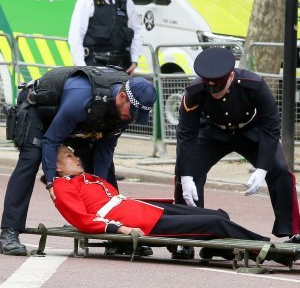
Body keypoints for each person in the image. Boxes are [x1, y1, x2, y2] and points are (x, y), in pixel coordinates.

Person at [0, 66, 156, 256]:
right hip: (40, 113)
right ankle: (9, 232)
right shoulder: (81, 98)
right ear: (122, 97)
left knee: (103, 171)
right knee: (32, 157)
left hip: (80, 121)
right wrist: (51, 182)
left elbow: (105, 152)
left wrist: (100, 189)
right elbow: (51, 139)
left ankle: (115, 238)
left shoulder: (123, 110)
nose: (132, 118)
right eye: (133, 112)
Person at [172, 47, 300, 259]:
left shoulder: (254, 84)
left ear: (231, 76)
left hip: (251, 131)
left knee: (280, 170)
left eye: (219, 87)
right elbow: (186, 134)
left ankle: (294, 231)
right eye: (209, 88)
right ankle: (187, 238)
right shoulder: (194, 91)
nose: (214, 92)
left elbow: (271, 128)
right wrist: (185, 176)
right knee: (186, 174)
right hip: (212, 133)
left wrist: (262, 169)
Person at [52, 145, 274, 261]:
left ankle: (223, 250)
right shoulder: (62, 186)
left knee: (218, 215)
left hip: (143, 209)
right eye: (70, 157)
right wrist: (121, 228)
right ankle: (269, 250)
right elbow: (83, 219)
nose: (77, 158)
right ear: (58, 167)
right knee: (215, 224)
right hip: (136, 221)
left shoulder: (85, 178)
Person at [68, 0, 142, 75]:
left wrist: (134, 60)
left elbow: (137, 33)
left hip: (122, 67)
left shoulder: (127, 2)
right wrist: (82, 67)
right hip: (94, 66)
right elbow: (76, 36)